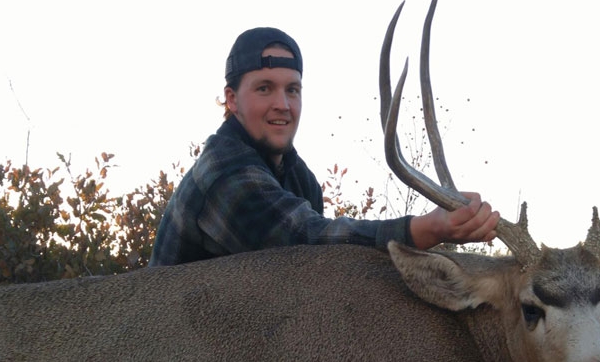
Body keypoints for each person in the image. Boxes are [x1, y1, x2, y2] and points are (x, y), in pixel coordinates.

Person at [148, 26, 499, 267]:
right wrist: (427, 229)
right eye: (264, 88)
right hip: (169, 354)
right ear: (231, 100)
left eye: (293, 90)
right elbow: (306, 244)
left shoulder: (299, 178)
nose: (282, 105)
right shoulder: (222, 172)